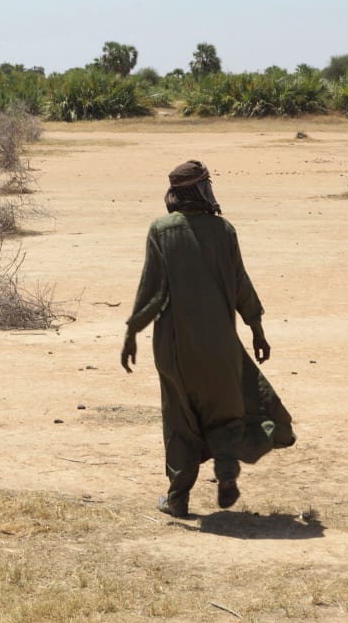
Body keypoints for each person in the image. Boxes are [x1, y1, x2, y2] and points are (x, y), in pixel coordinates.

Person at [121, 160, 294, 518]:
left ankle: (178, 497)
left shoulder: (161, 231)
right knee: (226, 412)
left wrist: (133, 330)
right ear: (202, 190)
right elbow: (242, 284)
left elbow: (151, 291)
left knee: (180, 418)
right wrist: (256, 327)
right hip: (221, 346)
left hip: (175, 348)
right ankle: (227, 473)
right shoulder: (224, 231)